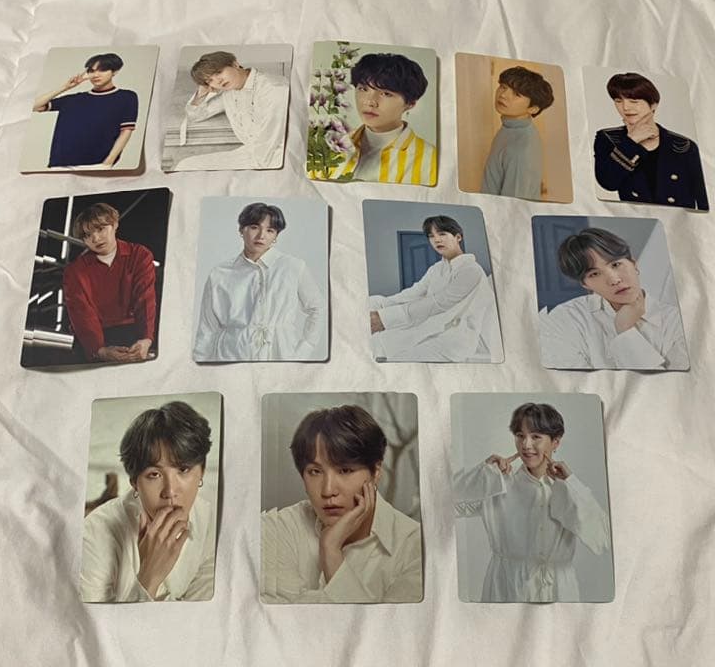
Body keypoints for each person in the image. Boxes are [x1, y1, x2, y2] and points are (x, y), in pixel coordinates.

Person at [260, 404, 423, 603]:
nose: (328, 490)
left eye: (345, 470)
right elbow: (276, 618)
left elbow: (390, 625)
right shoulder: (275, 528)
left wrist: (331, 552)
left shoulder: (416, 547)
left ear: (376, 472)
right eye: (315, 472)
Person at [453, 402, 611, 603]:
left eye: (536, 436)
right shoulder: (499, 484)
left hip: (560, 590)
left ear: (555, 442)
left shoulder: (569, 489)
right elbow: (446, 505)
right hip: (507, 588)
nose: (526, 445)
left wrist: (571, 483)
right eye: (520, 436)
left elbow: (601, 539)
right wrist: (483, 476)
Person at [80, 401, 216, 602]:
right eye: (154, 474)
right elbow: (94, 621)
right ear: (134, 482)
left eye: (183, 469)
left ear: (202, 472)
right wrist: (148, 576)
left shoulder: (212, 522)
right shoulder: (95, 534)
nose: (170, 491)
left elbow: (202, 614)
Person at [539, 227, 689, 370]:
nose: (614, 280)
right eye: (594, 274)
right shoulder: (566, 317)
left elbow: (669, 385)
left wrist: (624, 331)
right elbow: (572, 381)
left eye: (616, 264)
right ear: (585, 284)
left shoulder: (678, 321)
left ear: (634, 264)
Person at [193, 202, 325, 361]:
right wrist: (199, 364)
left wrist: (304, 349)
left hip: (281, 354)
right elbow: (207, 327)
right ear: (241, 230)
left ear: (276, 236)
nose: (261, 235)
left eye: (270, 230)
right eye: (254, 227)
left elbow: (318, 308)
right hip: (231, 355)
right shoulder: (220, 273)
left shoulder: (293, 267)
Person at [369, 215, 502, 362]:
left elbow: (439, 303)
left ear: (458, 237)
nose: (436, 240)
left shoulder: (471, 270)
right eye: (431, 236)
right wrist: (382, 304)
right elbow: (414, 293)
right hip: (432, 328)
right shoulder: (437, 268)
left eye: (442, 234)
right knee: (380, 343)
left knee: (397, 358)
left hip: (455, 339)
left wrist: (385, 318)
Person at [313, 52, 437, 186]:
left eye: (386, 93)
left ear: (410, 103)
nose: (370, 102)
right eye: (363, 89)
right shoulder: (330, 144)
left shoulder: (429, 159)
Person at [594, 72, 708, 210]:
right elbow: (608, 183)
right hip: (637, 216)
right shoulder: (608, 138)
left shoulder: (683, 145)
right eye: (618, 101)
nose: (625, 107)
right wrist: (632, 141)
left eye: (634, 101)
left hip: (678, 218)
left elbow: (703, 199)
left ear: (653, 105)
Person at [63, 202, 157, 363]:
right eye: (87, 235)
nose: (95, 238)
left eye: (100, 229)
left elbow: (145, 299)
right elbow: (81, 312)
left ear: (115, 224)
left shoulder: (140, 255)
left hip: (133, 333)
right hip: (90, 340)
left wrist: (146, 338)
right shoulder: (75, 271)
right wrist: (98, 350)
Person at [174, 50, 289, 170]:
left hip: (277, 156)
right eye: (210, 80)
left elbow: (269, 140)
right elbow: (195, 115)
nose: (218, 81)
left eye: (218, 72)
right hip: (251, 153)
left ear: (235, 64)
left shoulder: (273, 88)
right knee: (185, 165)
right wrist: (201, 93)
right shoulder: (229, 92)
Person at [32, 52, 138, 168]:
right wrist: (65, 87)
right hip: (59, 165)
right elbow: (35, 106)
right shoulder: (74, 99)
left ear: (115, 71)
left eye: (102, 70)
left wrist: (108, 163)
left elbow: (126, 131)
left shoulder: (126, 97)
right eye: (91, 71)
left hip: (96, 164)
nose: (96, 75)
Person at [482, 66, 554, 199]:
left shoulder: (521, 148)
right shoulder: (510, 127)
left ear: (533, 109)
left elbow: (512, 204)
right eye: (503, 87)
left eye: (516, 94)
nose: (503, 95)